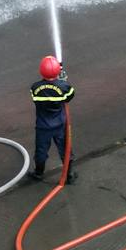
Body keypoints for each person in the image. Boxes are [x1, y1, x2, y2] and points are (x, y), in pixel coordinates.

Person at [29, 56, 76, 184]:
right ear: (57, 72)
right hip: (60, 124)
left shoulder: (35, 88)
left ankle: (38, 173)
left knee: (41, 151)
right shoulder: (64, 87)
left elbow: (36, 97)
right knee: (65, 148)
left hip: (43, 126)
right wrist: (63, 81)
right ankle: (69, 175)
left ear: (41, 71)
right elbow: (70, 96)